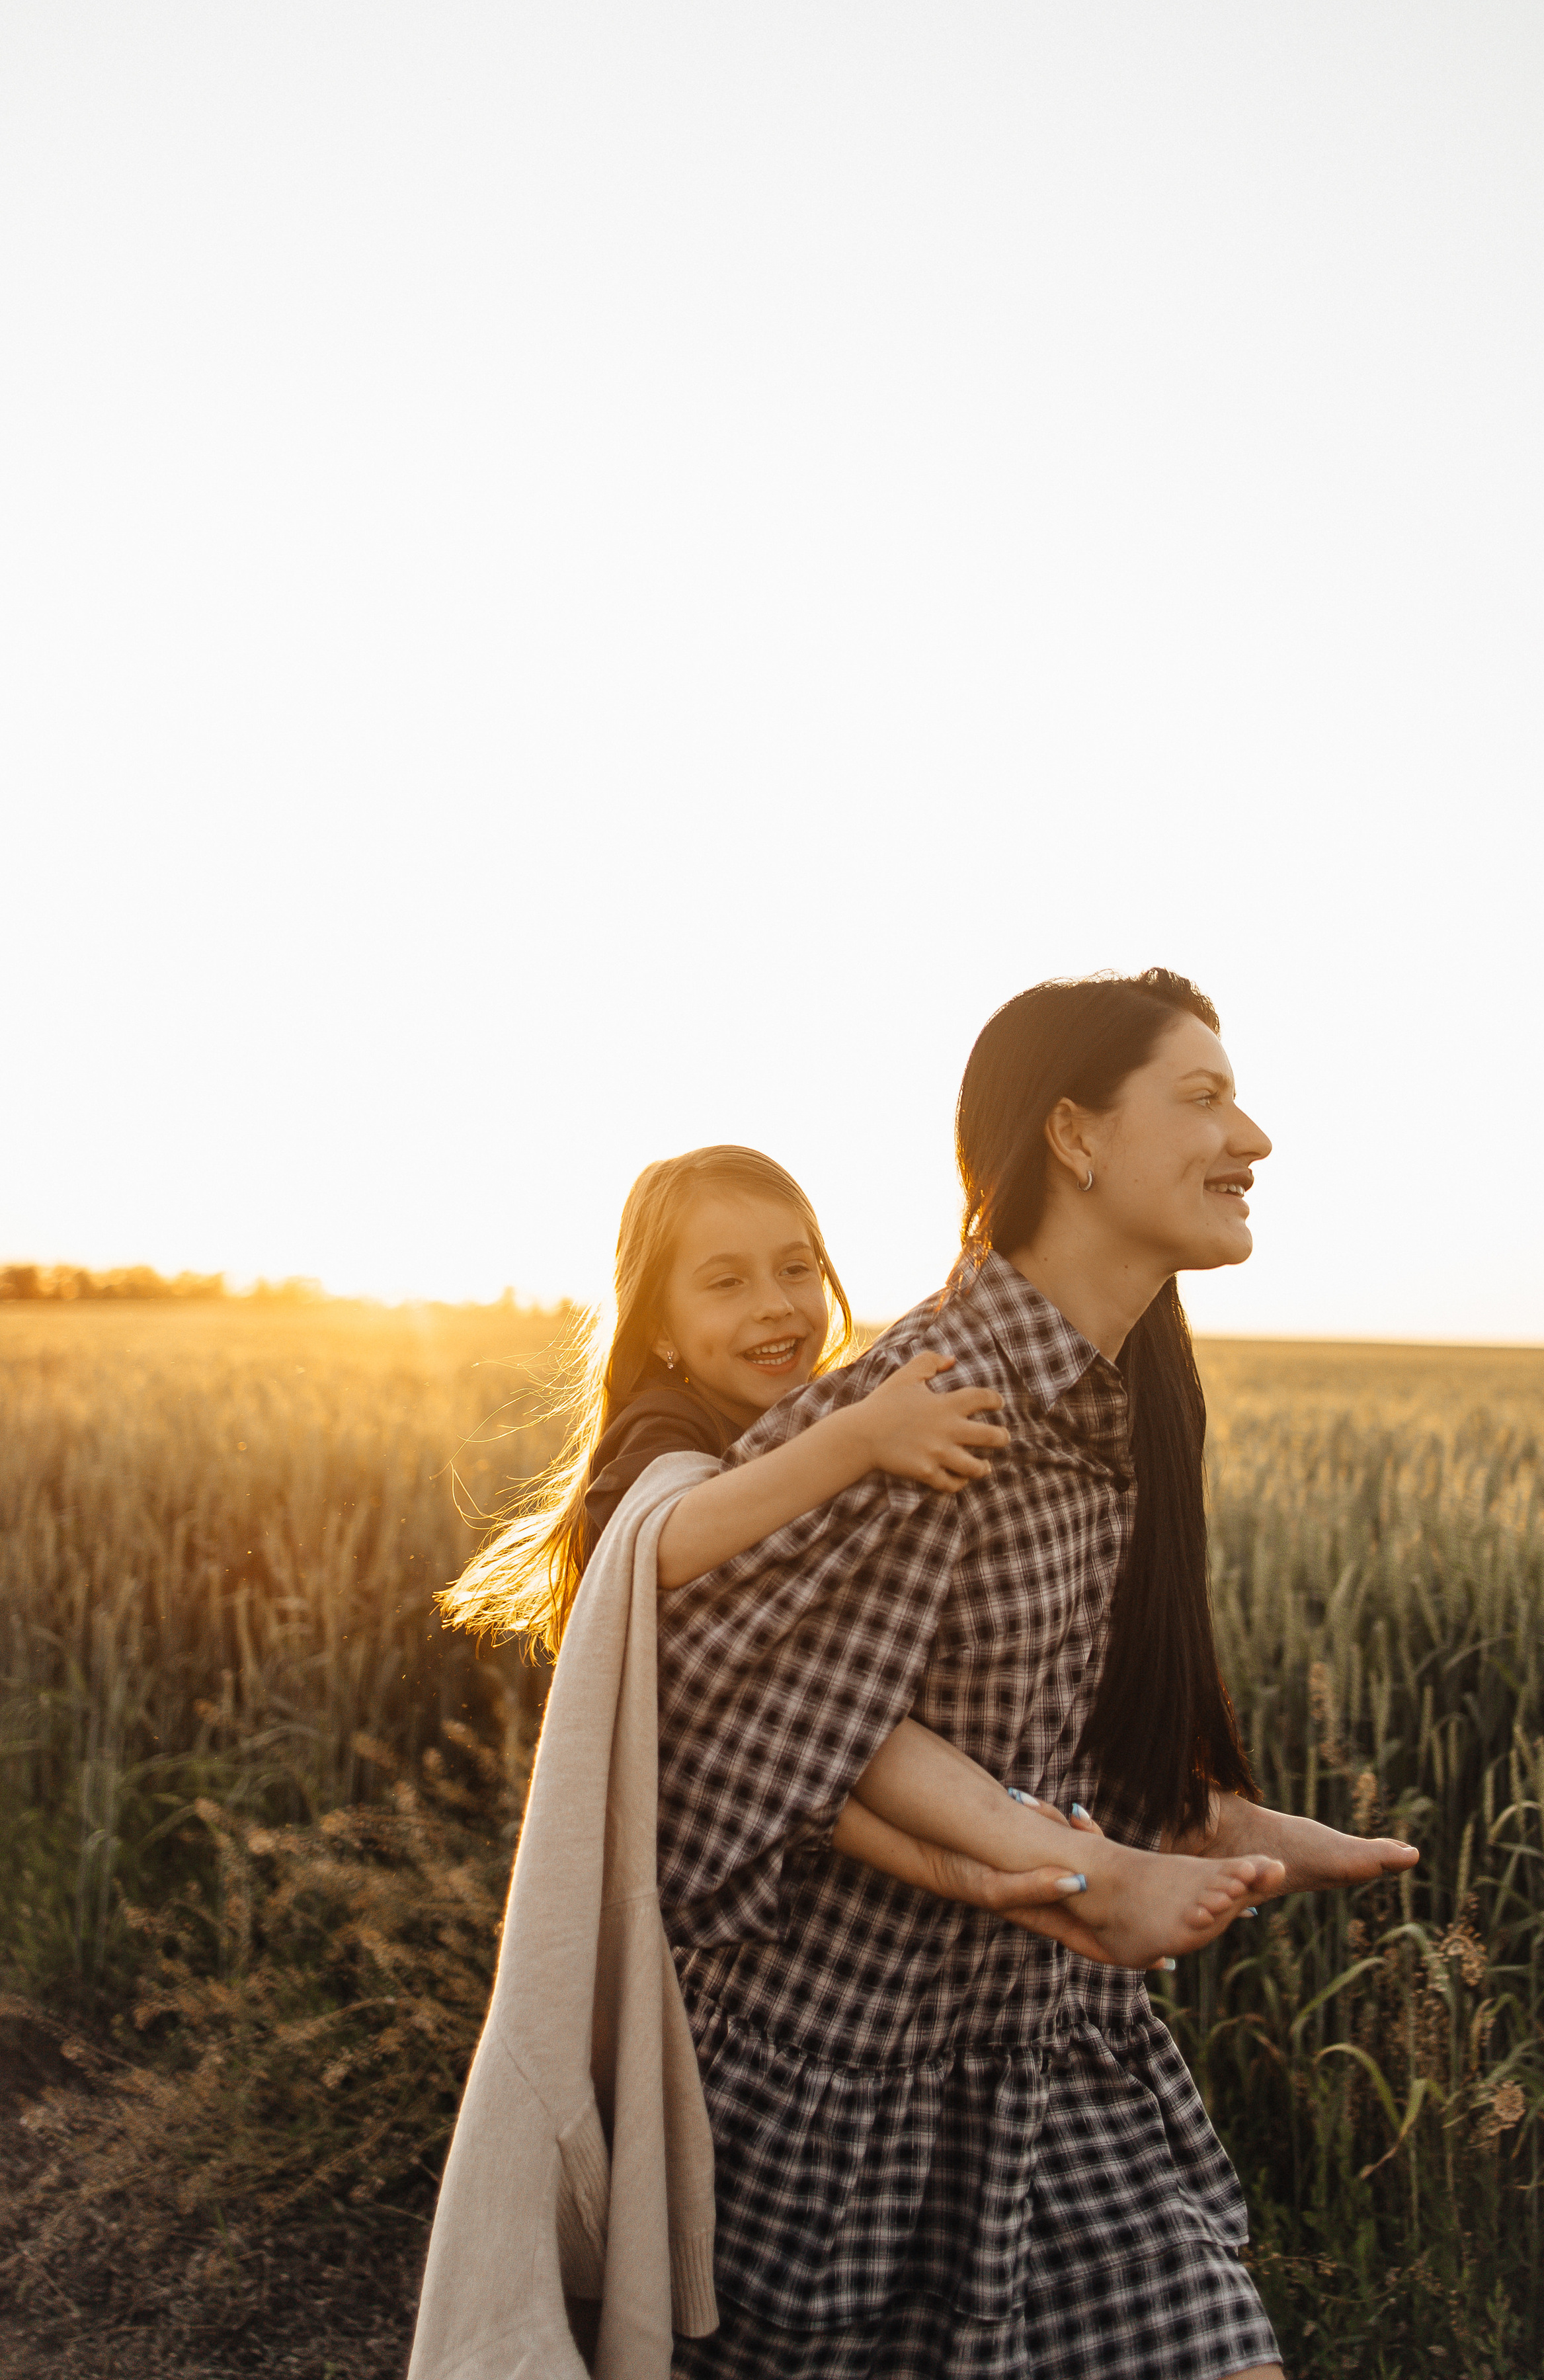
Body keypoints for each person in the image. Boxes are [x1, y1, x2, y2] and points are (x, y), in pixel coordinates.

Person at [652, 970, 1419, 2380]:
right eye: (1200, 1098)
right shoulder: (924, 1406)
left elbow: (1050, 1714)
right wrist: (1067, 1869)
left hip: (1047, 2047)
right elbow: (708, 1674)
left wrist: (1206, 1819)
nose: (1250, 1139)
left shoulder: (1123, 1402)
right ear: (1070, 1140)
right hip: (852, 2081)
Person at [442, 1143, 1280, 1963]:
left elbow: (826, 1752)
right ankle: (1075, 1858)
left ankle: (1083, 1848)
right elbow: (657, 1544)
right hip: (705, 1768)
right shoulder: (667, 1423)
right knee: (833, 1703)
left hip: (798, 1763)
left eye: (796, 1269)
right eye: (726, 1282)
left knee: (868, 1699)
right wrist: (861, 1436)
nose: (774, 1304)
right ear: (659, 1329)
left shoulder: (806, 1406)